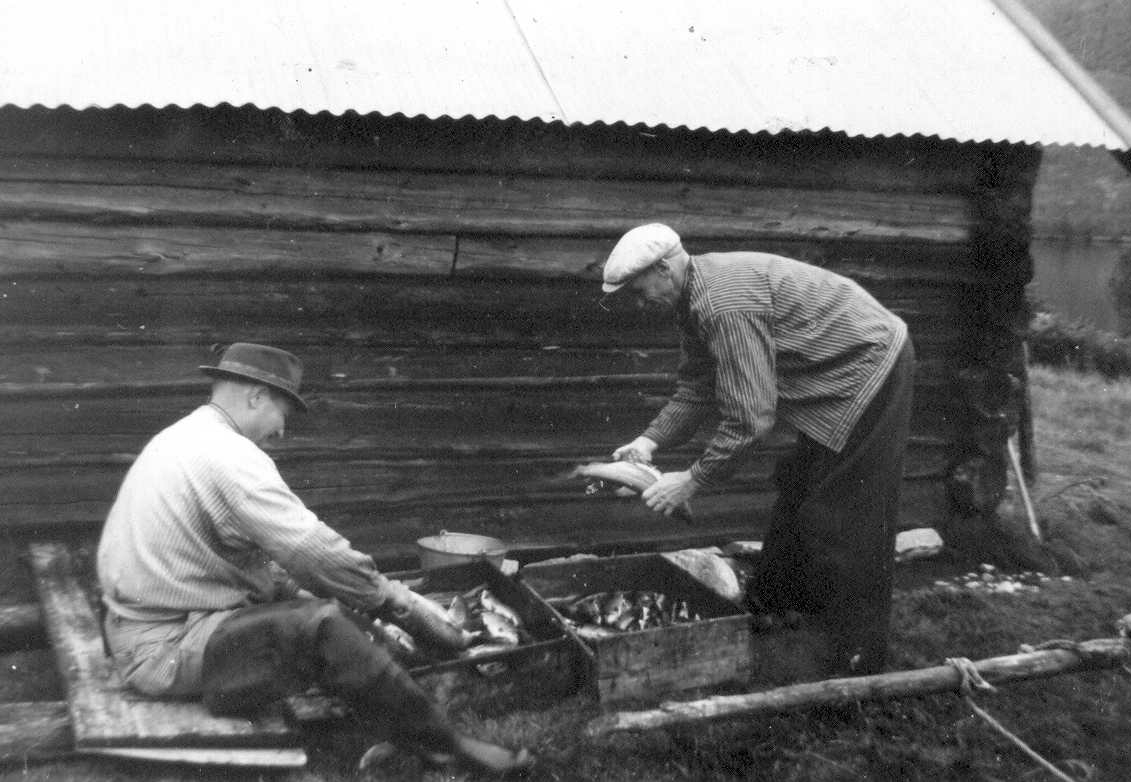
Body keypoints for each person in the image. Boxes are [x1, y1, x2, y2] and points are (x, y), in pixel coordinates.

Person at [95, 342, 533, 774]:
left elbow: (244, 566)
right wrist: (397, 602)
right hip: (161, 650)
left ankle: (391, 705)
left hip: (146, 626)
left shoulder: (186, 436)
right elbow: (310, 551)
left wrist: (328, 595)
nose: (282, 430)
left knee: (326, 611)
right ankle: (447, 748)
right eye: (283, 413)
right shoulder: (227, 456)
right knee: (320, 625)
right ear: (255, 396)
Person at [602, 224, 915, 676]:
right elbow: (696, 386)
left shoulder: (722, 305)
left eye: (637, 289)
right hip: (833, 371)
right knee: (797, 486)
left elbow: (751, 419)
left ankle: (855, 660)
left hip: (870, 366)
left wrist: (691, 481)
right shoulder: (692, 300)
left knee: (843, 517)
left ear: (664, 269)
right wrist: (649, 441)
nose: (637, 301)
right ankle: (774, 610)